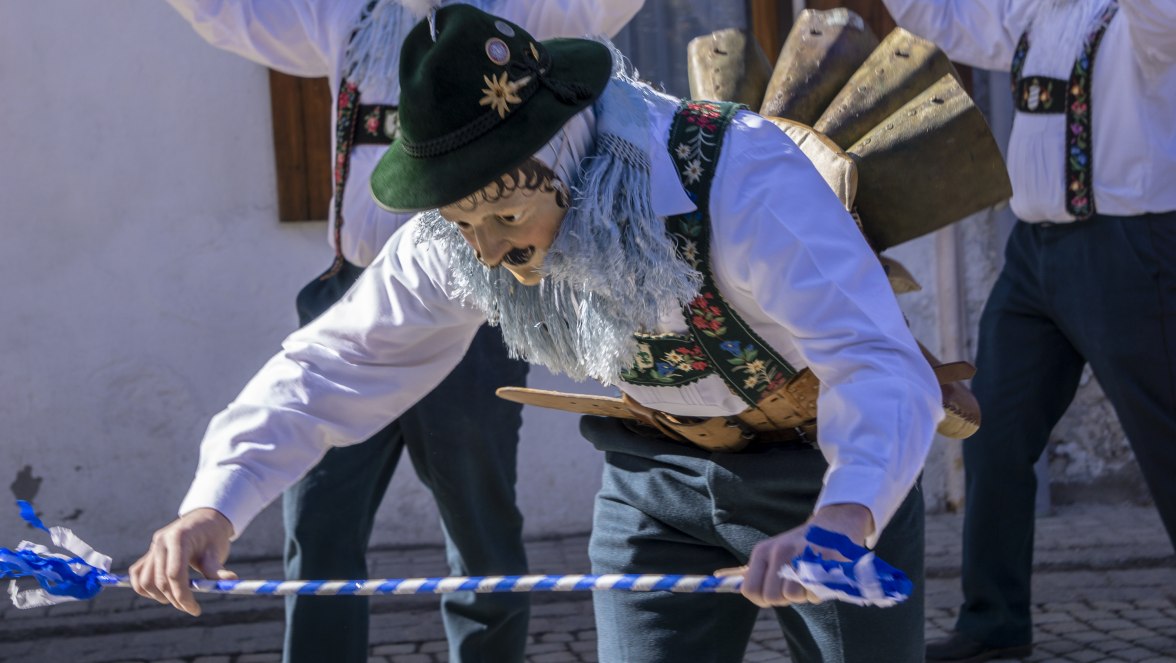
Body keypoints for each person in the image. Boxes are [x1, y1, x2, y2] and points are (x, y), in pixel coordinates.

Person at [133, 5, 945, 661]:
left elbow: (876, 360)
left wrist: (846, 516)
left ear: (568, 156)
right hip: (653, 480)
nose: (488, 249)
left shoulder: (739, 178)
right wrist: (214, 505)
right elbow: (338, 359)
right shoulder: (459, 237)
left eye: (507, 215)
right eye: (464, 222)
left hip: (821, 466)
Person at [165, 2, 643, 662]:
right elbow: (227, 12)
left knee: (479, 524)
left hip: (481, 299)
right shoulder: (349, 16)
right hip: (354, 293)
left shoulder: (525, 10)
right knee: (317, 520)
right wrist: (212, 503)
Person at [876, 0, 1176, 660]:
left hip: (1127, 249)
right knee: (993, 429)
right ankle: (994, 620)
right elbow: (936, 16)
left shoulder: (1144, 18)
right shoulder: (1033, 13)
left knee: (1166, 437)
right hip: (1034, 254)